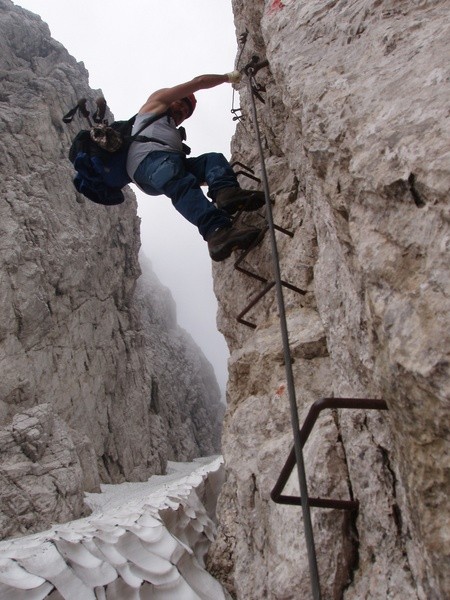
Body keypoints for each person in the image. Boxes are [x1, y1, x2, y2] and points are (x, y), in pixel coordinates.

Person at [126, 71, 266, 262]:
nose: (183, 111)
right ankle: (217, 232)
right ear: (173, 98)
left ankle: (226, 194)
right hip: (150, 161)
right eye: (182, 104)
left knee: (212, 160)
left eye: (187, 112)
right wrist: (228, 77)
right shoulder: (157, 103)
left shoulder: (168, 131)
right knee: (181, 184)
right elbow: (199, 82)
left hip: (161, 165)